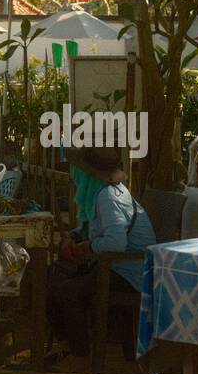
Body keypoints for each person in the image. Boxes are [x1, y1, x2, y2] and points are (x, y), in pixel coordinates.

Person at [47, 145, 156, 359]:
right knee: (53, 278)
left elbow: (115, 243)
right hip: (113, 266)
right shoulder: (101, 193)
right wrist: (74, 237)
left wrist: (87, 247)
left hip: (130, 272)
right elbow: (91, 226)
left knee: (69, 292)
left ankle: (80, 355)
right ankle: (66, 344)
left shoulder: (109, 197)